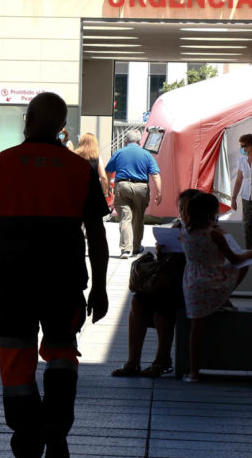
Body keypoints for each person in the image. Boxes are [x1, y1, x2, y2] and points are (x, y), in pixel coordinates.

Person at [0, 92, 110, 458]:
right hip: (65, 286)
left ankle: (28, 446)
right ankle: (57, 431)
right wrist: (99, 286)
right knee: (63, 357)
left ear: (27, 120)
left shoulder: (2, 164)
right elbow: (96, 234)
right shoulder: (78, 169)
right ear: (63, 127)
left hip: (14, 286)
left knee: (17, 366)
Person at [112, 189, 200, 378]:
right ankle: (133, 362)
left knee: (163, 309)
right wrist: (163, 251)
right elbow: (166, 264)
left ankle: (162, 360)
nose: (183, 214)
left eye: (187, 209)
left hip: (190, 289)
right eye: (181, 209)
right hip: (170, 285)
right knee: (138, 302)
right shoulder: (178, 227)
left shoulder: (205, 233)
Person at [181, 192, 252, 383]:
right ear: (212, 213)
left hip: (191, 283)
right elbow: (235, 259)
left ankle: (193, 372)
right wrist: (251, 254)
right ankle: (223, 298)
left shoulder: (184, 232)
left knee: (196, 329)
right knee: (243, 267)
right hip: (213, 280)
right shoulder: (215, 234)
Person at [105, 129, 162, 258]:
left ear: (126, 141)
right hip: (141, 187)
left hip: (123, 186)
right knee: (138, 217)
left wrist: (108, 185)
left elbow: (108, 171)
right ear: (139, 141)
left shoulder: (119, 152)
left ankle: (125, 249)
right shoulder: (146, 154)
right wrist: (159, 192)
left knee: (125, 217)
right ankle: (136, 248)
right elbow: (155, 174)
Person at [73, 133, 109, 198]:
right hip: (92, 191)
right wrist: (105, 192)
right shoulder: (97, 157)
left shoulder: (74, 156)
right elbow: (103, 177)